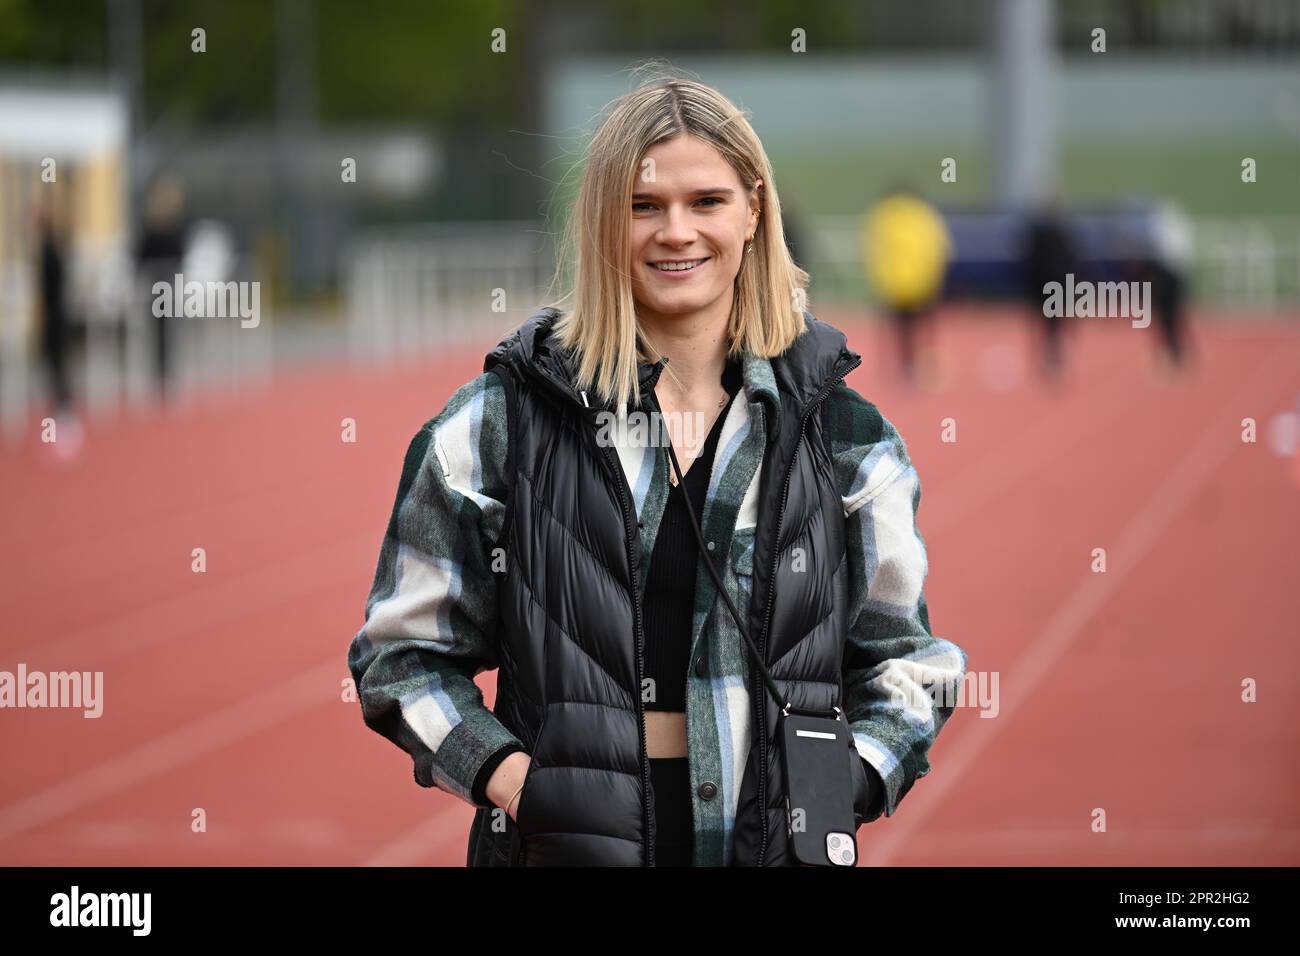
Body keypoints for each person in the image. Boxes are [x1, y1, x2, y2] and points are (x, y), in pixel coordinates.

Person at [348, 75, 967, 867]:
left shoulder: (844, 433)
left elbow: (910, 662)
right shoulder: (497, 424)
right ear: (605, 222)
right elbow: (400, 656)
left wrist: (843, 780)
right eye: (644, 206)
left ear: (753, 213)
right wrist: (513, 783)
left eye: (706, 202)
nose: (676, 231)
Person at [860, 184, 952, 386]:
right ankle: (925, 365)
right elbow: (937, 247)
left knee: (899, 329)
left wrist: (880, 279)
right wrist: (934, 277)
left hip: (894, 285)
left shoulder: (884, 216)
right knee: (925, 328)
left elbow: (874, 250)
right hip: (922, 283)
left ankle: (901, 366)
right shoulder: (924, 215)